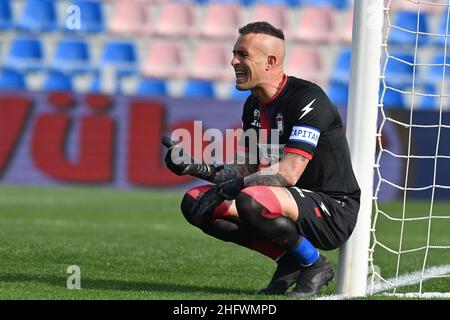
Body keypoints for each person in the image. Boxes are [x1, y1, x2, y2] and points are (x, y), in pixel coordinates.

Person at [162, 21, 360, 297]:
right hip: (284, 200)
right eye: (234, 53)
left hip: (333, 208)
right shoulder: (254, 105)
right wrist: (195, 167)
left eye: (243, 54)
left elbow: (289, 173)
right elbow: (248, 167)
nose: (233, 61)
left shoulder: (307, 99)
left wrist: (237, 186)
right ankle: (287, 258)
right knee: (196, 201)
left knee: (251, 198)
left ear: (271, 61)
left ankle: (315, 264)